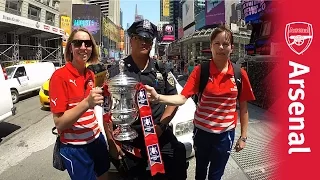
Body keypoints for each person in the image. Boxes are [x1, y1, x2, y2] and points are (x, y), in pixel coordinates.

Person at [145, 25, 256, 180]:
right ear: (211, 46)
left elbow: (243, 108)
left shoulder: (239, 74)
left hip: (225, 136)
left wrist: (243, 137)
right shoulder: (200, 71)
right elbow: (182, 98)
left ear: (232, 47)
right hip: (202, 133)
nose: (221, 47)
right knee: (200, 170)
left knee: (216, 174)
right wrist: (158, 97)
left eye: (225, 44)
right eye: (217, 43)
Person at [106, 19, 187, 180]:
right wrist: (111, 141)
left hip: (159, 133)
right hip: (129, 138)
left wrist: (161, 126)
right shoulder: (116, 72)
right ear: (131, 39)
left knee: (178, 158)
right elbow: (107, 109)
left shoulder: (161, 69)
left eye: (148, 39)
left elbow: (173, 100)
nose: (144, 42)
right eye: (140, 38)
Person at [49, 28, 121, 180]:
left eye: (87, 43)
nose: (83, 47)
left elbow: (99, 108)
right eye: (78, 43)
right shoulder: (59, 77)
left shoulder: (90, 74)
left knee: (104, 176)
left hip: (97, 139)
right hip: (75, 148)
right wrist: (87, 103)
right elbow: (60, 123)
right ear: (70, 47)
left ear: (92, 48)